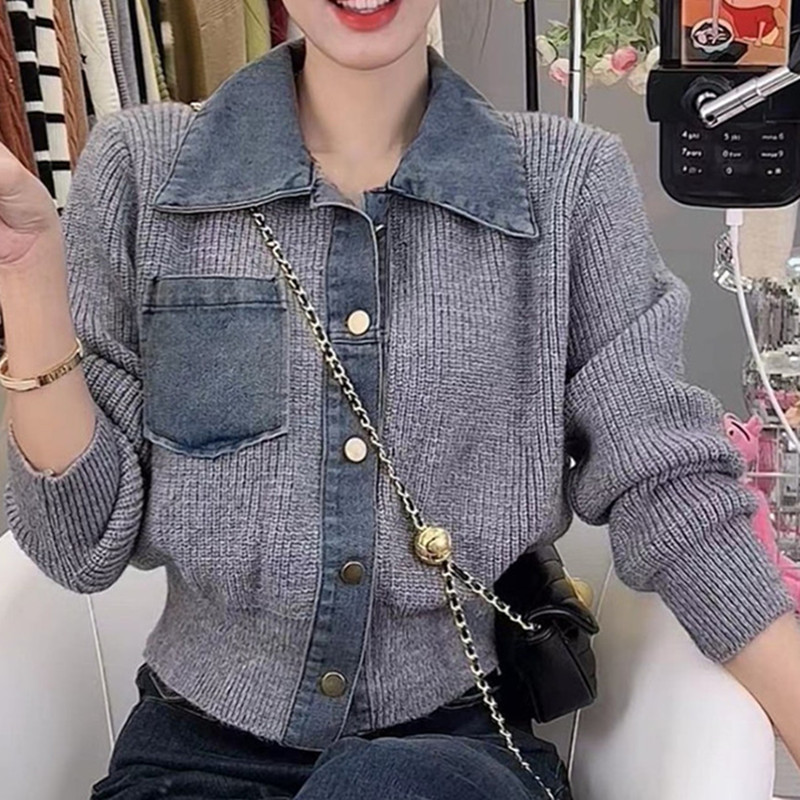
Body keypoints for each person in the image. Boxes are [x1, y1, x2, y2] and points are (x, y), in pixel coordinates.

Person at [1, 2, 800, 798]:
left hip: (453, 749)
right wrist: (29, 275)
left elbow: (664, 479)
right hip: (189, 755)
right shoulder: (142, 169)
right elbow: (81, 546)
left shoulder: (565, 184)